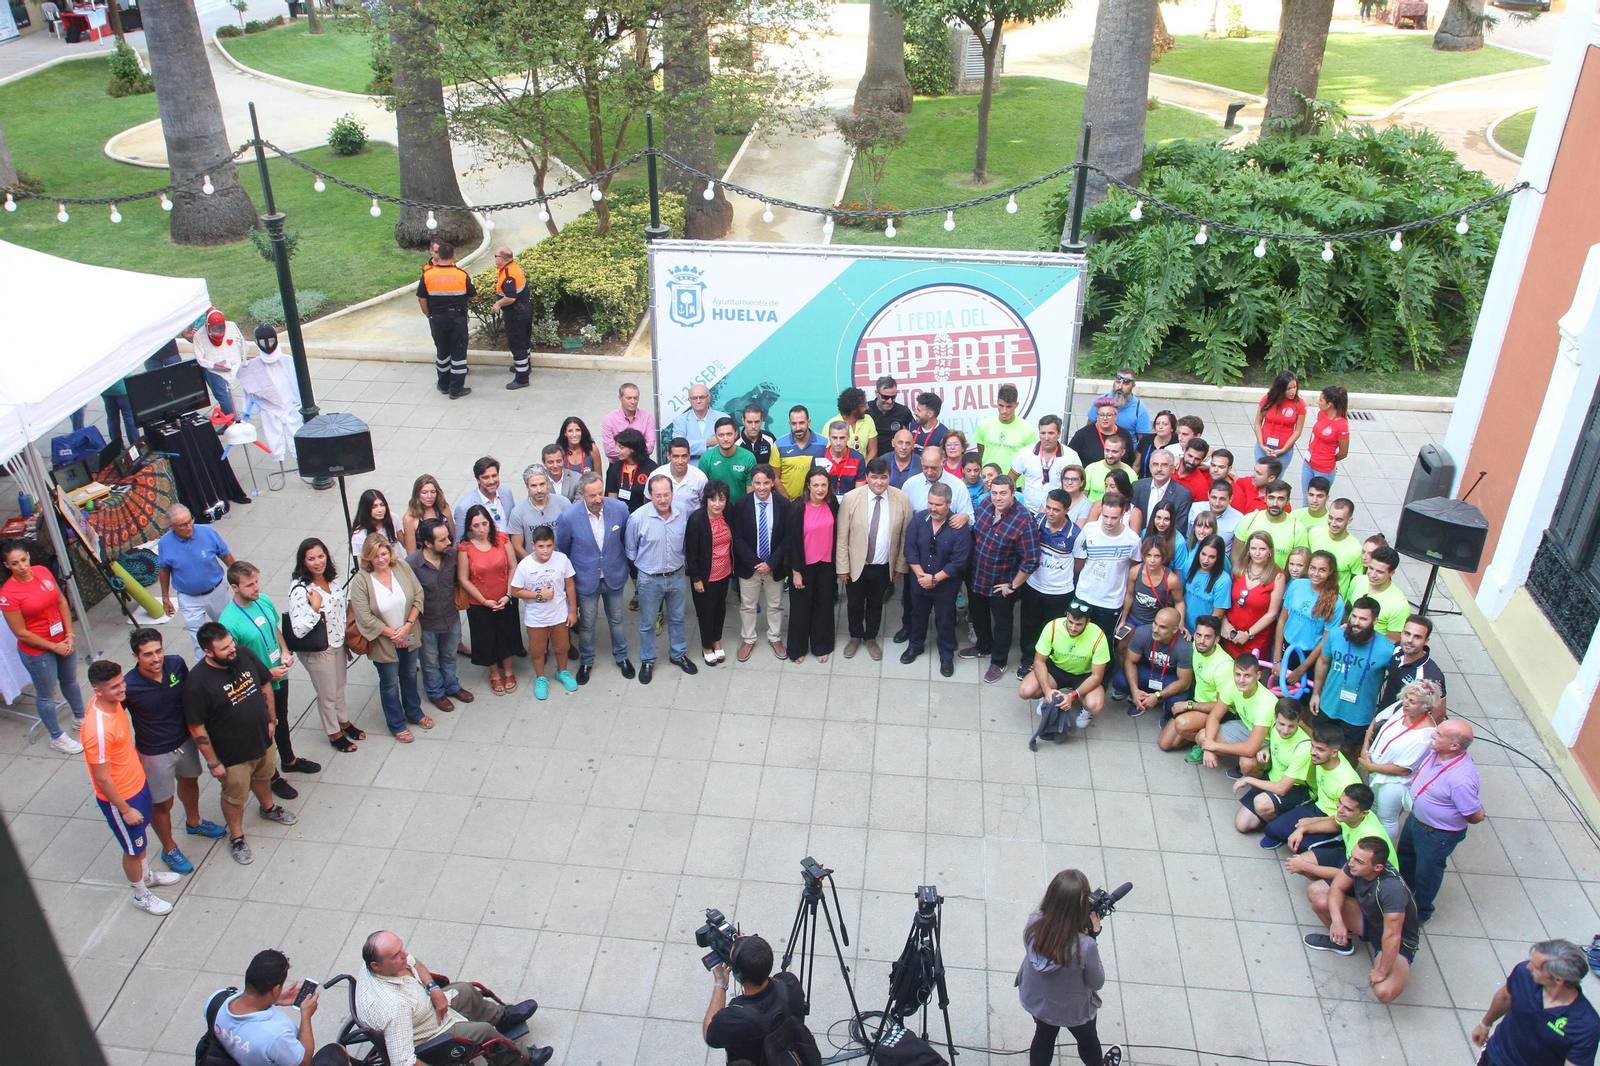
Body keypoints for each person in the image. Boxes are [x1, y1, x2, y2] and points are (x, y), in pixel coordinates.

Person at [184, 623, 297, 866]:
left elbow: (265, 683)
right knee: (235, 796)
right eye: (224, 648)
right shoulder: (197, 683)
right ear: (208, 652)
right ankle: (237, 837)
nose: (232, 650)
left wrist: (272, 720)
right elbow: (196, 727)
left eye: (231, 643)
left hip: (262, 739)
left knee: (264, 776)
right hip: (232, 755)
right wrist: (213, 763)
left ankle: (268, 808)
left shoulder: (243, 654)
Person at [79, 660, 182, 914]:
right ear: (97, 691)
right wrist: (124, 809)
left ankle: (146, 876)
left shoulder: (112, 705)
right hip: (123, 798)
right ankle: (140, 894)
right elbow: (102, 779)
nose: (122, 689)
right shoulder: (98, 730)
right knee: (133, 849)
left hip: (137, 785)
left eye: (122, 682)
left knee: (141, 842)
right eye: (114, 687)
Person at [356, 930, 548, 1066]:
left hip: (426, 1006)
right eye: (397, 955)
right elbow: (403, 1062)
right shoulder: (393, 1007)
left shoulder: (379, 965)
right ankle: (519, 1059)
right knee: (484, 1031)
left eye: (402, 948)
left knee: (466, 990)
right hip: (430, 1033)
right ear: (376, 966)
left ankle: (503, 1018)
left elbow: (415, 963)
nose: (405, 954)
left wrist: (433, 988)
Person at [122, 629, 226, 871]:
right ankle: (169, 849)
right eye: (147, 654)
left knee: (190, 782)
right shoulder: (129, 685)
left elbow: (192, 697)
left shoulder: (176, 664)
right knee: (162, 804)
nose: (156, 658)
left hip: (185, 741)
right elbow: (116, 720)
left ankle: (194, 822)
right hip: (154, 752)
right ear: (135, 656)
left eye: (159, 650)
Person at [220, 561, 317, 800]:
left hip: (278, 674)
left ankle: (289, 759)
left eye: (256, 582)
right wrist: (265, 673)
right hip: (258, 684)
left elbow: (274, 630)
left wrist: (285, 652)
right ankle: (271, 776)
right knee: (267, 726)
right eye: (249, 584)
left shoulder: (262, 600)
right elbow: (234, 663)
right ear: (234, 587)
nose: (256, 588)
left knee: (281, 717)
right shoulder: (228, 622)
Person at [1303, 837, 1419, 1005]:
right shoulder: (1355, 865)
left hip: (1398, 940)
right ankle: (1341, 943)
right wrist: (1337, 922)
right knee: (1321, 902)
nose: (1351, 863)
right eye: (1352, 856)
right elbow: (1337, 887)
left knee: (1383, 992)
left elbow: (1392, 935)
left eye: (1359, 861)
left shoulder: (1391, 889)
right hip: (1369, 919)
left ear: (1377, 867)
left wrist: (1381, 970)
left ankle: (1391, 963)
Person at [1017, 869, 1112, 1066]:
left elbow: (1057, 941)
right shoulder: (1085, 946)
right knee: (1087, 1040)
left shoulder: (1034, 921)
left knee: (1043, 1037)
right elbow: (1097, 982)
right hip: (1072, 1010)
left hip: (1040, 1002)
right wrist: (1092, 936)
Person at [1, 539, 85, 753]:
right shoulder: (9, 594)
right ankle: (56, 736)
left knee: (70, 680)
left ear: (29, 556)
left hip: (62, 640)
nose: (21, 566)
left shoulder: (42, 572)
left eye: (23, 560)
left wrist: (70, 633)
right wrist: (53, 646)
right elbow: (20, 632)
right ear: (7, 566)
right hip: (38, 652)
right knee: (46, 693)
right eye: (14, 563)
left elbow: (61, 602)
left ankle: (80, 717)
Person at [1399, 717, 1485, 923]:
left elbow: (1474, 815)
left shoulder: (1461, 779)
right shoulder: (1436, 752)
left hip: (1436, 834)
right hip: (1417, 820)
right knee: (1405, 858)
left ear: (1455, 746)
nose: (1432, 735)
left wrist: (1480, 813)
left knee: (1426, 873)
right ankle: (1401, 896)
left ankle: (1419, 913)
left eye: (1439, 735)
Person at [349, 535, 432, 742]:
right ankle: (396, 724)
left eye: (384, 553)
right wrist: (394, 634)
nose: (381, 559)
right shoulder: (361, 581)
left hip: (409, 633)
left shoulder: (401, 567)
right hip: (383, 642)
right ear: (367, 557)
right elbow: (364, 617)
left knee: (410, 674)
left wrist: (406, 627)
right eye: (375, 556)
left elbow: (418, 595)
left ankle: (414, 712)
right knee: (389, 683)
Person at [960, 475, 1040, 683]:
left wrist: (1012, 585)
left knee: (1002, 624)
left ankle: (999, 661)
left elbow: (1031, 560)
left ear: (1013, 493)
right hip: (977, 576)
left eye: (1003, 493)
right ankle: (983, 647)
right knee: (978, 616)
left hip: (1001, 584)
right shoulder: (985, 504)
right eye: (994, 493)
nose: (998, 498)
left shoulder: (1024, 520)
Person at [286, 538, 363, 753]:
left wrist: (345, 640)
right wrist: (315, 609)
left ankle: (344, 721)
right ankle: (334, 733)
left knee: (339, 688)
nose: (318, 562)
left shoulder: (333, 578)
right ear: (303, 561)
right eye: (311, 559)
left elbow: (340, 610)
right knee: (327, 693)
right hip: (318, 650)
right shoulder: (300, 590)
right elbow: (298, 629)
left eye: (321, 556)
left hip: (337, 643)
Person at [556, 474, 634, 683]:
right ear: (581, 495)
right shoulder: (569, 517)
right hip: (586, 578)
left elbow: (626, 538)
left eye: (600, 493)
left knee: (617, 620)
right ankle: (587, 661)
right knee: (588, 624)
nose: (599, 499)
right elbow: (563, 548)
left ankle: (622, 657)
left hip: (614, 575)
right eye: (592, 495)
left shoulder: (619, 509)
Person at [1472, 940, 1599, 1066]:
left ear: (1559, 980)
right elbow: (1505, 997)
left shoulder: (1585, 1026)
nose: (1529, 966)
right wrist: (1485, 1024)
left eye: (1536, 967)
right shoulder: (1524, 974)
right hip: (1496, 1055)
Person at [833, 458, 909, 661]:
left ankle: (871, 637)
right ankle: (855, 636)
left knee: (876, 603)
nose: (879, 482)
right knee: (854, 603)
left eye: (883, 477)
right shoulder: (851, 498)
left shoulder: (901, 498)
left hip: (883, 566)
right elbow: (842, 536)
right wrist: (842, 567)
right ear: (866, 477)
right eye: (874, 477)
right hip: (857, 565)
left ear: (889, 477)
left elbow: (904, 536)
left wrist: (900, 564)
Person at [627, 475, 698, 684]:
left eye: (666, 494)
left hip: (676, 576)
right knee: (648, 623)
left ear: (672, 493)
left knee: (677, 618)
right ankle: (647, 660)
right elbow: (631, 551)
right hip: (650, 579)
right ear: (650, 495)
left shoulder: (682, 512)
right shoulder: (637, 518)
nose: (662, 499)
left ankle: (678, 654)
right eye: (657, 495)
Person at [702, 935, 810, 1066]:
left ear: (738, 974)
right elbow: (762, 971)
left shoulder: (734, 1019)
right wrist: (750, 948)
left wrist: (721, 983)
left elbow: (709, 1034)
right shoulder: (789, 983)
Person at [208, 949, 327, 1066]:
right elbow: (304, 1061)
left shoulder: (216, 1000)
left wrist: (275, 999)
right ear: (275, 989)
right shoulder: (275, 1036)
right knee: (335, 1053)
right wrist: (306, 1015)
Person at [902, 483, 972, 676]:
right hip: (919, 580)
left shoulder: (959, 527)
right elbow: (910, 550)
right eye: (930, 503)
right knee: (917, 615)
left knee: (945, 620)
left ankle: (946, 655)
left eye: (938, 505)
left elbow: (959, 561)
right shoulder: (918, 520)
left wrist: (935, 579)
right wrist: (921, 576)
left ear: (949, 504)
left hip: (946, 586)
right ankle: (916, 645)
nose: (933, 508)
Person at [1260, 719, 1362, 850]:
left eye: (1319, 749)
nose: (1313, 752)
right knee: (1271, 831)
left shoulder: (1347, 781)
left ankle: (1338, 842)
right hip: (1316, 807)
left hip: (1336, 820)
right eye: (1313, 746)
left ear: (1334, 753)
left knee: (1301, 846)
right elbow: (1311, 735)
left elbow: (1345, 819)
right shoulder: (1322, 758)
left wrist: (1310, 825)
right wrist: (1266, 747)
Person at [1312, 599, 1394, 761]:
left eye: (1363, 619)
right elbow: (1323, 661)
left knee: (1349, 753)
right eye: (1354, 617)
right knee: (1318, 745)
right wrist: (1316, 693)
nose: (1356, 623)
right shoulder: (1336, 635)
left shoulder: (1387, 650)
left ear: (1375, 621)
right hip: (1328, 706)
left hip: (1358, 716)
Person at [406, 520, 473, 713]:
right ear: (427, 543)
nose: (448, 542)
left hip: (451, 618)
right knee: (429, 661)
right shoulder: (411, 564)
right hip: (426, 623)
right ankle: (436, 693)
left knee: (450, 656)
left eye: (447, 537)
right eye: (442, 539)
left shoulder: (451, 555)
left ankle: (452, 686)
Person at [457, 505, 524, 695]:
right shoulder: (465, 548)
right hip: (480, 603)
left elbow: (513, 567)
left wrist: (508, 595)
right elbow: (464, 578)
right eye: (476, 525)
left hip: (505, 597)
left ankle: (509, 671)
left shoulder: (502, 539)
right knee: (486, 639)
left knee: (507, 634)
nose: (481, 529)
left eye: (484, 523)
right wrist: (483, 600)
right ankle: (494, 673)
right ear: (470, 527)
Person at [1361, 680, 1441, 840]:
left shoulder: (1425, 735)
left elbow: (1404, 769)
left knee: (1386, 818)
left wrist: (1370, 767)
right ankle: (1367, 840)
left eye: (1412, 701)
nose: (1406, 703)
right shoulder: (1399, 709)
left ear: (1425, 707)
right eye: (1406, 697)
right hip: (1373, 768)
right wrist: (1365, 749)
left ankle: (1383, 849)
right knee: (1372, 809)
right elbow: (1376, 722)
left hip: (1394, 783)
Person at [1071, 492, 1140, 676]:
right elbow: (1079, 561)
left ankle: (1102, 679)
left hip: (1111, 602)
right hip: (1085, 595)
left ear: (1123, 514)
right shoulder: (1089, 530)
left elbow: (1133, 570)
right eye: (1106, 516)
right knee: (1078, 636)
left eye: (1114, 518)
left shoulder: (1132, 540)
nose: (1109, 522)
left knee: (1105, 643)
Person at [508, 525, 578, 700]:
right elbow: (515, 591)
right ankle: (540, 678)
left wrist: (572, 611)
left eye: (548, 546)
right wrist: (540, 595)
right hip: (536, 618)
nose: (545, 550)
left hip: (559, 615)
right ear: (533, 545)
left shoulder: (562, 560)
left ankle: (562, 671)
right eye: (541, 546)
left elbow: (569, 585)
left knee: (562, 647)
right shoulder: (525, 566)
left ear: (554, 543)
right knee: (538, 651)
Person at [158, 504, 236, 661]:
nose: (188, 527)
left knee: (226, 629)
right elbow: (164, 570)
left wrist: (238, 579)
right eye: (183, 525)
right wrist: (165, 597)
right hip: (189, 598)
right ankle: (207, 671)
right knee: (198, 639)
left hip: (216, 592)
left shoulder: (207, 533)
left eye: (190, 521)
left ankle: (233, 659)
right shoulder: (165, 543)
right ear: (171, 526)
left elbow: (225, 555)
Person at [1018, 601, 1109, 729]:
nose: (1073, 628)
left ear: (1088, 622)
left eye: (1079, 624)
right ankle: (1047, 696)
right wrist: (1046, 690)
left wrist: (1072, 696)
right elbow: (1039, 661)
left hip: (1084, 675)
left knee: (1096, 705)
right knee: (1025, 691)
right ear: (1066, 615)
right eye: (1070, 622)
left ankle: (1086, 710)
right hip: (1056, 670)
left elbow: (1097, 676)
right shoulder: (1053, 626)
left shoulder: (1098, 636)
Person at [1018, 490, 1080, 677]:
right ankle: (1027, 660)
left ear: (1067, 510)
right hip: (1033, 586)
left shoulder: (1076, 534)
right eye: (1048, 507)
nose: (1050, 513)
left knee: (1054, 629)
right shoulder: (1036, 522)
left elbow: (1079, 564)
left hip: (1059, 592)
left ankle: (1050, 664)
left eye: (1056, 510)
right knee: (1029, 625)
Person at [1115, 540, 1185, 704]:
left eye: (1156, 556)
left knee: (1146, 655)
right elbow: (1130, 595)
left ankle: (1141, 688)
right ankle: (1127, 683)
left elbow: (1179, 602)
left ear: (1163, 558)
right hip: (1134, 618)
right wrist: (1123, 619)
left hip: (1153, 624)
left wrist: (1179, 624)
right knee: (1122, 647)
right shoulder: (1135, 572)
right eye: (1148, 555)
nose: (1152, 560)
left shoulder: (1171, 579)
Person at [732, 466, 788, 662]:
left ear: (773, 482)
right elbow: (737, 538)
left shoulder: (783, 504)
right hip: (750, 566)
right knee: (748, 605)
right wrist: (757, 563)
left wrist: (771, 563)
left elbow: (786, 538)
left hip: (774, 566)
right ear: (752, 483)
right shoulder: (741, 504)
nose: (762, 487)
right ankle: (748, 638)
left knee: (775, 605)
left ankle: (775, 637)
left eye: (766, 482)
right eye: (757, 483)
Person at [1234, 697, 1313, 834]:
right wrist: (1267, 749)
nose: (1285, 731)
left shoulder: (1304, 747)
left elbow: (1282, 789)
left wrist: (1248, 779)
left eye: (1291, 726)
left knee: (1261, 804)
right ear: (1275, 718)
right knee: (1242, 825)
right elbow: (1279, 743)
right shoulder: (1274, 727)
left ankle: (1282, 829)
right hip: (1273, 779)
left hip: (1295, 788)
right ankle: (1275, 813)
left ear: (1298, 722)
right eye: (1282, 724)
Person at [784, 470, 839, 664]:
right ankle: (797, 648)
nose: (820, 489)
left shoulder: (833, 504)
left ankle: (821, 646)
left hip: (826, 565)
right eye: (816, 485)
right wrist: (796, 572)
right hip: (803, 567)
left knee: (823, 606)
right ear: (808, 485)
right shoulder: (797, 508)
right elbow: (791, 542)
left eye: (824, 485)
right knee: (800, 609)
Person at [1156, 615, 1233, 754]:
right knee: (1165, 743)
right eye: (1198, 635)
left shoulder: (1224, 667)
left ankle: (1205, 745)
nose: (1201, 641)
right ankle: (1198, 733)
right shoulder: (1195, 646)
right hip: (1198, 703)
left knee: (1182, 724)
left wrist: (1189, 705)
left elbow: (1221, 707)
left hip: (1219, 712)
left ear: (1216, 640)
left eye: (1207, 637)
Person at [1273, 549, 1343, 699]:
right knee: (1280, 693)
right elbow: (1282, 620)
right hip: (1287, 647)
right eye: (1313, 568)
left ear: (1330, 572)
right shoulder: (1296, 585)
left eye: (1322, 570)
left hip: (1310, 655)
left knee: (1301, 698)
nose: (1316, 573)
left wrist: (1301, 669)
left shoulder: (1336, 602)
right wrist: (1277, 658)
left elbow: (1325, 641)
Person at [1195, 652, 1276, 773]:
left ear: (1258, 675)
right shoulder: (1232, 685)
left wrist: (1213, 746)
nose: (1241, 680)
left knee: (1247, 763)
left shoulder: (1266, 702)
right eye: (1238, 674)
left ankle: (1261, 781)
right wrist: (1208, 747)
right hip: (1246, 727)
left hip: (1268, 739)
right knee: (1202, 736)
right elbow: (1214, 716)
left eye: (1247, 676)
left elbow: (1250, 749)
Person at [415, 241, 474, 398]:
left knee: (442, 352)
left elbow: (421, 298)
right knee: (458, 354)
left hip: (437, 319)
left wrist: (429, 314)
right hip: (457, 320)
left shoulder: (428, 275)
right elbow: (473, 296)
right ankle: (456, 390)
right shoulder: (461, 275)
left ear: (438, 255)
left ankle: (443, 385)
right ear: (453, 256)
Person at [687, 480, 735, 665]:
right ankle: (706, 646)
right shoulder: (697, 519)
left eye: (721, 499)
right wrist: (696, 579)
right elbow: (691, 553)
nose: (717, 504)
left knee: (720, 609)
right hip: (705, 577)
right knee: (705, 612)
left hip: (724, 572)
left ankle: (717, 640)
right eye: (713, 499)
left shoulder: (728, 513)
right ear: (706, 500)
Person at [1121, 606, 1194, 722]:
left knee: (1179, 698)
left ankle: (1167, 712)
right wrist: (1134, 690)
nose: (1155, 629)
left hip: (1169, 677)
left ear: (1174, 630)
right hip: (1149, 671)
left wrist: (1158, 696)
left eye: (1163, 627)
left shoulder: (1184, 646)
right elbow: (1130, 661)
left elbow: (1185, 682)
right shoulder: (1143, 633)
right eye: (1155, 623)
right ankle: (1140, 698)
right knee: (1120, 681)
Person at [1223, 531, 1285, 660]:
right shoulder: (1238, 569)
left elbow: (1272, 614)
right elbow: (1225, 600)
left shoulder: (1277, 576)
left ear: (1270, 551)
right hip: (1230, 633)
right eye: (1253, 548)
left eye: (1262, 549)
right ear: (1248, 550)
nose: (1257, 553)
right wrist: (1224, 622)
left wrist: (1248, 634)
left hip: (1255, 638)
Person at [1381, 614, 1449, 720]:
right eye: (1407, 633)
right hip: (1383, 716)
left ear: (1426, 641)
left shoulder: (1431, 676)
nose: (1409, 640)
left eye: (1417, 637)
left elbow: (1438, 713)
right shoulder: (1397, 649)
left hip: (1403, 727)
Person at [1011, 415, 1079, 511]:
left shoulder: (1071, 456)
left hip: (1056, 513)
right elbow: (1010, 479)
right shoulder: (1024, 453)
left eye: (1051, 433)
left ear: (1059, 434)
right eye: (1043, 433)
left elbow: (1078, 487)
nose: (1046, 438)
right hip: (1026, 510)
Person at [1234, 480, 1307, 568]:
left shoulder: (1297, 528)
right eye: (1271, 498)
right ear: (1265, 498)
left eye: (1281, 499)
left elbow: (1301, 562)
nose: (1275, 503)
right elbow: (1236, 553)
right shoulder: (1249, 519)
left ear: (1288, 501)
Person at [191, 307, 245, 418]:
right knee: (218, 391)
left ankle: (231, 418)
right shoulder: (200, 335)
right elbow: (200, 358)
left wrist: (240, 360)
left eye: (219, 328)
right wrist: (213, 365)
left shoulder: (231, 327)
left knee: (221, 393)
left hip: (221, 364)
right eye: (214, 329)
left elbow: (242, 343)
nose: (217, 331)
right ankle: (226, 411)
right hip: (212, 363)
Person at [507, 466, 570, 559]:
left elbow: (574, 533)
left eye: (542, 484)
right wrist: (534, 564)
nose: (539, 490)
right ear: (527, 487)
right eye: (533, 486)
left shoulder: (563, 503)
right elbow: (517, 547)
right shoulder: (518, 512)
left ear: (548, 484)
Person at [1348, 546, 1410, 641]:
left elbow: (1394, 640)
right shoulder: (1358, 581)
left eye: (1380, 572)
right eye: (1371, 568)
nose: (1373, 575)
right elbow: (1348, 609)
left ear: (1391, 573)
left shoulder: (1399, 605)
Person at [491, 246, 532, 390]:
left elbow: (510, 297)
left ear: (501, 259)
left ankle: (522, 378)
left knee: (517, 343)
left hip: (515, 313)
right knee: (524, 341)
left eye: (495, 255)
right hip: (524, 309)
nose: (494, 258)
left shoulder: (508, 274)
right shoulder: (514, 267)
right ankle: (525, 367)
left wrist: (498, 304)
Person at [972, 383, 1037, 473]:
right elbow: (981, 455)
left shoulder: (1027, 430)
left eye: (1009, 407)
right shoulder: (984, 425)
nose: (1004, 411)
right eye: (1001, 406)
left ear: (1016, 404)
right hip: (989, 481)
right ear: (997, 403)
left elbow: (1029, 460)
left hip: (1015, 483)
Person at [1254, 370, 1306, 477]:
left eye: (1295, 387)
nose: (1293, 391)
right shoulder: (1268, 399)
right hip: (1264, 447)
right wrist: (1262, 445)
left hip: (1283, 450)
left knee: (1276, 480)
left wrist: (1283, 450)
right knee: (1261, 477)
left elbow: (1298, 431)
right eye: (1288, 389)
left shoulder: (1299, 404)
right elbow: (1258, 423)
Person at [1128, 449, 1193, 535]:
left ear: (1173, 469)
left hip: (1165, 545)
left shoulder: (1182, 494)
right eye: (1155, 464)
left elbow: (1179, 528)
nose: (1159, 469)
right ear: (1150, 468)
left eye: (1164, 465)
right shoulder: (1137, 487)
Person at [1304, 385, 1351, 502]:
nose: (1318, 402)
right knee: (1306, 499)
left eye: (1321, 400)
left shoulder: (1342, 425)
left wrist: (1327, 458)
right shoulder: (1322, 415)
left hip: (1323, 470)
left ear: (1329, 404)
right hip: (1308, 463)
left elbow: (1343, 453)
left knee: (1317, 503)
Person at [1310, 498, 1364, 598]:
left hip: (1334, 601)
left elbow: (1356, 582)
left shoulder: (1355, 549)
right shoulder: (1314, 534)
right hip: (1310, 595)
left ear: (1349, 520)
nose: (1333, 523)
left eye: (1339, 520)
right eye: (1331, 518)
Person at [452, 456, 517, 535]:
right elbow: (461, 539)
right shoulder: (465, 507)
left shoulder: (506, 492)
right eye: (486, 477)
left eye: (494, 476)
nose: (491, 481)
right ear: (478, 480)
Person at [774, 405, 827, 500]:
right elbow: (775, 478)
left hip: (816, 504)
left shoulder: (824, 444)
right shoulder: (778, 445)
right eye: (794, 424)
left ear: (809, 422)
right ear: (789, 423)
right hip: (788, 504)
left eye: (801, 423)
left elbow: (828, 475)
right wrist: (788, 503)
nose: (798, 427)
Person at [699, 417, 758, 501]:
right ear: (715, 437)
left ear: (736, 434)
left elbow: (750, 494)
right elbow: (703, 492)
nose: (725, 439)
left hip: (740, 510)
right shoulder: (706, 459)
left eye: (729, 434)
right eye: (721, 435)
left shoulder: (748, 457)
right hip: (716, 510)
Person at [1067, 398, 1135, 468]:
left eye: (1109, 415)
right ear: (1097, 416)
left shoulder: (1125, 434)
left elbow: (1131, 460)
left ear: (1115, 416)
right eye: (1101, 415)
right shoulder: (1082, 434)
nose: (1105, 418)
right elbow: (1070, 459)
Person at [1085, 367, 1152, 436]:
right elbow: (1087, 430)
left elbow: (1143, 441)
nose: (1120, 387)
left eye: (1125, 384)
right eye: (1118, 382)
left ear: (1133, 386)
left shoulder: (1140, 410)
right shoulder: (1101, 401)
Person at [605, 427, 658, 514]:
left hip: (643, 515)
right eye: (617, 446)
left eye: (621, 447)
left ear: (633, 449)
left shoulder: (651, 468)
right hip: (621, 514)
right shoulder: (616, 466)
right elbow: (612, 497)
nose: (616, 450)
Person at [600, 381, 656, 463]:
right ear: (620, 398)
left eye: (635, 398)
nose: (633, 402)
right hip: (617, 466)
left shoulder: (648, 417)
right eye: (629, 398)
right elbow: (609, 450)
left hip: (641, 465)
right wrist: (636, 450)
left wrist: (623, 450)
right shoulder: (609, 419)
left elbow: (650, 448)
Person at [821, 386, 878, 461]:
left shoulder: (868, 419)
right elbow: (826, 455)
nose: (867, 408)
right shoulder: (830, 425)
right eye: (864, 405)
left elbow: (873, 450)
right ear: (854, 408)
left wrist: (863, 468)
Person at [400, 474, 454, 554]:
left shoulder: (444, 508)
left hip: (447, 555)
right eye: (424, 492)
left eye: (433, 492)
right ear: (417, 494)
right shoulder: (410, 518)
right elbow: (411, 552)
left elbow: (453, 536)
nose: (429, 496)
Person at [673, 385, 728, 459]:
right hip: (690, 465)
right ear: (689, 400)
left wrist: (691, 445)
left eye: (702, 397)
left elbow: (727, 445)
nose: (698, 401)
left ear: (709, 398)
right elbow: (678, 447)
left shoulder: (723, 418)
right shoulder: (680, 420)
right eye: (694, 398)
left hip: (717, 464)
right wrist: (707, 443)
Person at [1188, 481, 1243, 554]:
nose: (1217, 503)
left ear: (1230, 499)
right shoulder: (1196, 508)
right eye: (1214, 497)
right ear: (1208, 495)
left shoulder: (1238, 519)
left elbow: (1236, 552)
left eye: (1222, 499)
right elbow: (1188, 536)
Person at [661, 437, 711, 515]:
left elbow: (705, 504)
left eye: (684, 456)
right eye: (676, 456)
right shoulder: (657, 475)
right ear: (668, 456)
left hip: (693, 525)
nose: (680, 461)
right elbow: (648, 501)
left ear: (689, 456)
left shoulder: (700, 477)